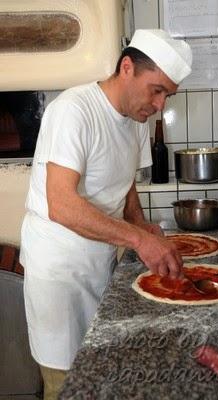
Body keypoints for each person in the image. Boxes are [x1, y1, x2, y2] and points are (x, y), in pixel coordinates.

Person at [20, 29, 192, 399]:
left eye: (168, 95)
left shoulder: (136, 119)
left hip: (101, 261)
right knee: (67, 385)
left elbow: (125, 180)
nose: (160, 105)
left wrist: (140, 223)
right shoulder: (73, 110)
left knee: (101, 375)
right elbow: (61, 204)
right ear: (127, 67)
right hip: (60, 273)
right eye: (157, 90)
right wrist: (138, 239)